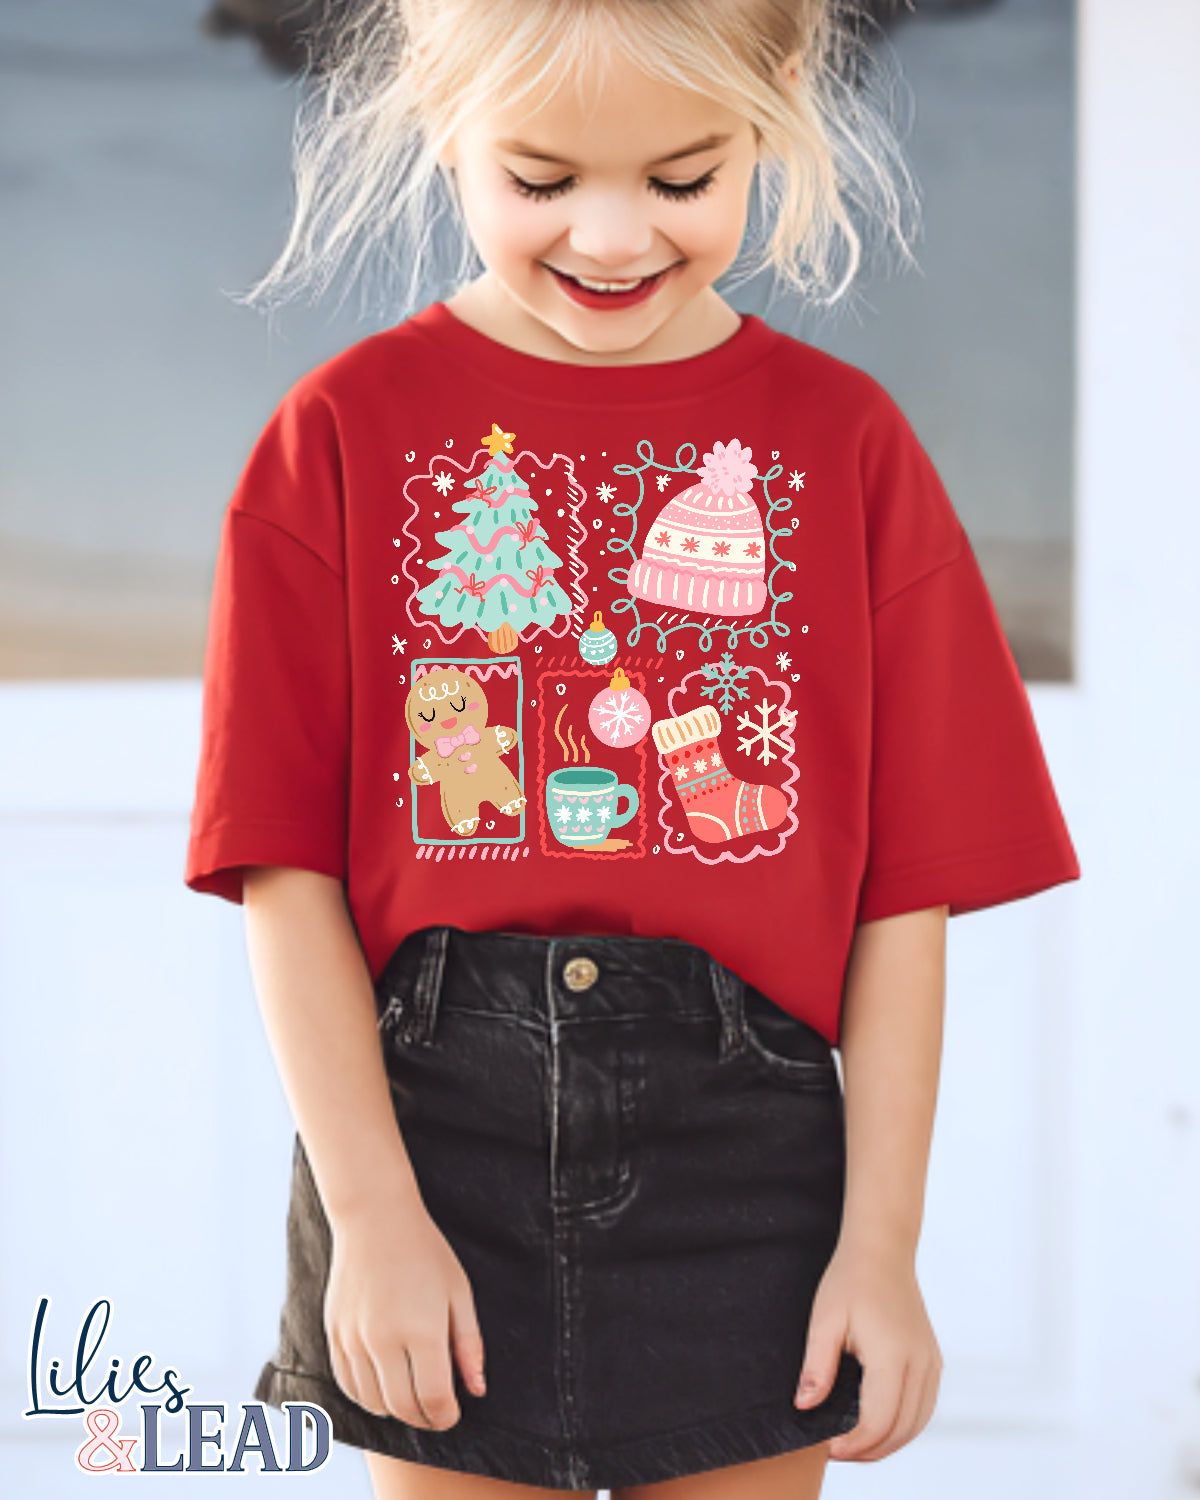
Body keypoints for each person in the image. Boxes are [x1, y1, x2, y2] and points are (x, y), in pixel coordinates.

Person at [184, 2, 1080, 1496]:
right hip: (427, 1148)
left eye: (680, 178)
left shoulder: (848, 447)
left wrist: (881, 1247)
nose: (611, 237)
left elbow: (899, 906)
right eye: (542, 181)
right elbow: (284, 874)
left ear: (774, 114)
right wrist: (373, 1215)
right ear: (440, 123)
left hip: (752, 1164)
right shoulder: (338, 434)